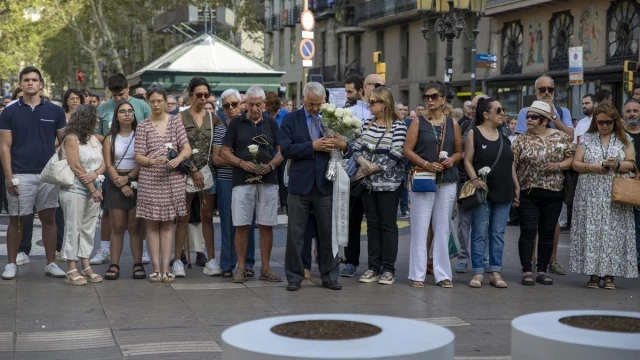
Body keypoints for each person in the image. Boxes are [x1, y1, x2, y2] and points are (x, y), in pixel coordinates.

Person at [281, 82, 350, 291]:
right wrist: (312, 146)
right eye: (311, 104)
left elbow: (349, 148)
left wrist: (341, 145)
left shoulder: (332, 118)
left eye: (319, 104)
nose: (315, 108)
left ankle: (329, 276)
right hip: (299, 185)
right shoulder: (290, 119)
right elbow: (286, 149)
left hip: (325, 184)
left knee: (328, 233)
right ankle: (294, 276)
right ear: (304, 99)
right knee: (295, 233)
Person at [1, 66, 66, 280]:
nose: (30, 83)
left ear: (41, 85)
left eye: (34, 80)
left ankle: (50, 263)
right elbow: (4, 147)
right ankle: (11, 263)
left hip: (48, 174)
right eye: (26, 79)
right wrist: (9, 176)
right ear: (20, 84)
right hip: (20, 173)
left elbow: (66, 140)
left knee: (49, 218)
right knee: (17, 220)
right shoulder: (10, 111)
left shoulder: (55, 111)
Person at [570, 103, 638, 289]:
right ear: (595, 123)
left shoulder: (625, 139)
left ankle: (609, 275)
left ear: (615, 121)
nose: (604, 126)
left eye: (608, 122)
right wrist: (592, 167)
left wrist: (616, 165)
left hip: (615, 193)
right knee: (592, 232)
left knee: (612, 234)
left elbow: (632, 164)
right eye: (600, 122)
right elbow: (576, 164)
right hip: (589, 194)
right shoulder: (586, 139)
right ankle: (593, 274)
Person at [221, 85, 283, 284]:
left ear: (264, 105)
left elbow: (282, 150)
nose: (255, 108)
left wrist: (272, 165)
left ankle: (265, 268)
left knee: (266, 225)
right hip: (242, 180)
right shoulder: (236, 124)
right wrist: (241, 163)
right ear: (245, 104)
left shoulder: (272, 123)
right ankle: (241, 268)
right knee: (241, 224)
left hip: (268, 180)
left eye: (258, 105)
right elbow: (224, 151)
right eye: (251, 104)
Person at [405, 82, 461, 288]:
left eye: (434, 96)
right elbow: (408, 151)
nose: (430, 100)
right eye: (427, 96)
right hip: (423, 178)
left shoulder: (452, 123)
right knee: (420, 227)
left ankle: (443, 274)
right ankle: (417, 274)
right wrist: (427, 164)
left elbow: (458, 151)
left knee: (442, 227)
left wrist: (452, 160)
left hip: (446, 181)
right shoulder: (417, 122)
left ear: (443, 99)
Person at [91, 73, 151, 266]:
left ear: (128, 88)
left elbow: (150, 132)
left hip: (138, 168)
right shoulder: (103, 108)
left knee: (138, 215)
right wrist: (111, 138)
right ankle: (105, 249)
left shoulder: (142, 106)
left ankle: (141, 251)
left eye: (122, 94)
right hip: (111, 166)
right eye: (115, 96)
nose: (118, 99)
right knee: (109, 213)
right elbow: (96, 135)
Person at [512, 101, 574, 286]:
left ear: (545, 120)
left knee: (547, 232)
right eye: (528, 116)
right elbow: (512, 165)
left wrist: (558, 165)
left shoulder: (561, 137)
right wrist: (515, 187)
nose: (529, 119)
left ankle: (542, 270)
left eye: (534, 117)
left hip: (554, 192)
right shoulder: (521, 139)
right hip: (528, 192)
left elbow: (572, 158)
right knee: (528, 231)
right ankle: (526, 270)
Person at [135, 87, 191, 282]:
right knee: (151, 225)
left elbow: (186, 147)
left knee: (168, 226)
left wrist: (179, 159)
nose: (157, 104)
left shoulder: (175, 122)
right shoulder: (143, 125)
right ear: (148, 102)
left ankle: (167, 268)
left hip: (171, 179)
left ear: (166, 102)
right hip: (150, 179)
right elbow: (139, 155)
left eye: (160, 101)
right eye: (153, 101)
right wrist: (151, 161)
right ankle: (156, 268)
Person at [353, 86, 408, 286]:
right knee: (372, 225)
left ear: (384, 104)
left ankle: (388, 269)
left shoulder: (398, 126)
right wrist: (362, 163)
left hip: (389, 184)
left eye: (373, 102)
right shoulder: (366, 123)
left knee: (388, 224)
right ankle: (373, 267)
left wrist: (372, 167)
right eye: (369, 101)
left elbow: (396, 153)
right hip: (368, 184)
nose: (370, 105)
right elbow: (356, 148)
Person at [464, 97, 520, 288]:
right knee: (479, 231)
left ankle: (495, 271)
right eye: (498, 110)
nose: (503, 113)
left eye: (503, 109)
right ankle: (478, 271)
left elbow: (509, 163)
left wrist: (516, 185)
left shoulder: (504, 135)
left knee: (498, 233)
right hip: (483, 190)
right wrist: (475, 180)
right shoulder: (474, 133)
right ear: (486, 114)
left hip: (504, 189)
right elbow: (467, 160)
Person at [174, 77, 222, 277]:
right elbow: (174, 147)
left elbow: (220, 141)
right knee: (182, 217)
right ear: (191, 94)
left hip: (208, 173)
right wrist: (191, 169)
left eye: (206, 95)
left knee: (207, 217)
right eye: (199, 94)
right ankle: (177, 260)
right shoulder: (180, 118)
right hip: (186, 171)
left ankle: (211, 260)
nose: (203, 98)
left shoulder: (213, 118)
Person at [59, 105, 105, 285]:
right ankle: (71, 268)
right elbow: (75, 166)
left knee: (89, 228)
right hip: (74, 190)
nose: (98, 121)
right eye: (96, 117)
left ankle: (85, 265)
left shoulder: (94, 139)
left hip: (94, 189)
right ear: (86, 119)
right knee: (73, 228)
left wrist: (95, 176)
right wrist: (92, 188)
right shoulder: (71, 138)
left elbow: (104, 163)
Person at [213, 89, 256, 278]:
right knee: (227, 222)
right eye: (226, 105)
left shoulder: (249, 127)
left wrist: (228, 156)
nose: (231, 108)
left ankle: (248, 263)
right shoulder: (221, 129)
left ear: (242, 104)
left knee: (247, 222)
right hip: (226, 180)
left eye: (234, 104)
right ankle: (227, 264)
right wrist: (238, 161)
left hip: (247, 179)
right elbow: (216, 159)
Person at [102, 101, 144, 280]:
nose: (127, 114)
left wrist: (129, 179)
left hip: (136, 180)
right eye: (122, 112)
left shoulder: (141, 136)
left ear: (134, 115)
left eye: (130, 111)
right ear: (116, 116)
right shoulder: (109, 138)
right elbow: (108, 164)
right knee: (117, 227)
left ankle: (138, 264)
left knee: (135, 228)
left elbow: (142, 161)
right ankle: (114, 265)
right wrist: (121, 183)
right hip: (115, 181)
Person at [341, 74, 371, 277]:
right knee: (352, 220)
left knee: (376, 222)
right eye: (346, 91)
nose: (347, 95)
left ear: (361, 90)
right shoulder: (345, 111)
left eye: (350, 91)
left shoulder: (377, 110)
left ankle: (376, 264)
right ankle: (351, 261)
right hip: (352, 173)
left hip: (374, 173)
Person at [623, 98, 640, 271]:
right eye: (628, 111)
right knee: (630, 224)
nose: (632, 114)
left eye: (635, 110)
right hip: (626, 184)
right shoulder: (620, 134)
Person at [265, 91, 289, 213]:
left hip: (282, 152)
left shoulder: (285, 114)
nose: (272, 112)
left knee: (282, 180)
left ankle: (284, 204)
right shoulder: (264, 114)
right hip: (268, 153)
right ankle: (271, 204)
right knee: (270, 180)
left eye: (274, 110)